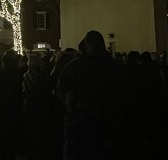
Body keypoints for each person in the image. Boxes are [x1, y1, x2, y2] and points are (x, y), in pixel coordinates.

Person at [55, 30, 133, 160]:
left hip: (89, 124)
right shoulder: (114, 67)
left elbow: (61, 91)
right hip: (97, 124)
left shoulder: (74, 67)